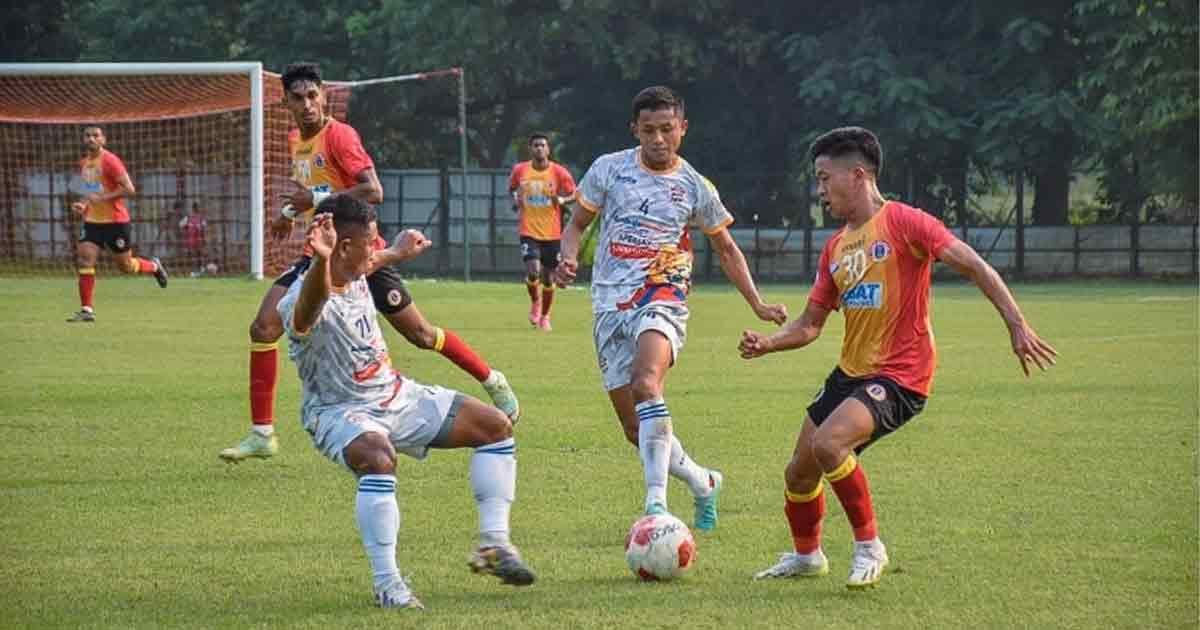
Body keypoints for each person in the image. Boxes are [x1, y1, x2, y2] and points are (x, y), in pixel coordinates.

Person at [741, 127, 1058, 589]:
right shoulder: (835, 248)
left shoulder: (906, 222)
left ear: (859, 174)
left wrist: (1016, 323)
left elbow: (974, 264)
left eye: (825, 178)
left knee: (830, 445)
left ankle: (870, 546)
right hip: (850, 374)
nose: (820, 189)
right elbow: (810, 325)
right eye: (818, 180)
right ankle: (807, 556)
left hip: (900, 375)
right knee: (799, 471)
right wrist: (769, 344)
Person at [220, 62, 520, 462]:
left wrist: (315, 202)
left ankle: (492, 379)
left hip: (364, 256)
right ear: (285, 101)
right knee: (264, 326)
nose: (307, 104)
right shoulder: (298, 139)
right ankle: (262, 433)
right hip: (325, 255)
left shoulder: (340, 135)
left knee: (422, 336)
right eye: (298, 97)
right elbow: (313, 191)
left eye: (313, 95)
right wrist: (288, 216)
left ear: (324, 94)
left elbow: (371, 190)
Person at [279, 197, 535, 610]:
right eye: (370, 240)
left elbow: (368, 263)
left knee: (495, 427)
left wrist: (397, 251)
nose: (375, 246)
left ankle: (494, 546)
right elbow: (307, 312)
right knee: (379, 458)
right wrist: (320, 262)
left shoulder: (357, 266)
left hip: (396, 394)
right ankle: (388, 584)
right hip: (339, 411)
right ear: (341, 247)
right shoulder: (303, 296)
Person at [553, 86, 788, 530]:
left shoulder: (695, 186)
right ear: (634, 131)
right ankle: (702, 480)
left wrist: (756, 302)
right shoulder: (608, 170)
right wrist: (567, 256)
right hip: (608, 303)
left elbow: (727, 248)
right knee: (633, 429)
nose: (658, 138)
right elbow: (577, 225)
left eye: (666, 129)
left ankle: (655, 507)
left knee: (647, 383)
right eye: (648, 130)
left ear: (682, 129)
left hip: (662, 295)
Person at [67, 125, 168, 322]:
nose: (91, 139)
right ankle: (86, 310)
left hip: (115, 222)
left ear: (103, 140)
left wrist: (104, 198)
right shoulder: (84, 163)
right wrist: (83, 204)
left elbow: (129, 189)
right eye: (87, 136)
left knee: (126, 266)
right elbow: (92, 191)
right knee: (85, 260)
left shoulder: (111, 161)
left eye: (95, 135)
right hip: (92, 222)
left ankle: (154, 267)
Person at [509, 133, 577, 330]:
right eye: (536, 145)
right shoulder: (520, 170)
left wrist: (563, 200)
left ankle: (545, 316)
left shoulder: (559, 172)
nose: (539, 148)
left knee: (548, 277)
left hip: (552, 233)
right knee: (533, 271)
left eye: (543, 145)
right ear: (531, 149)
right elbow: (512, 188)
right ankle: (535, 302)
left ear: (548, 149)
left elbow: (576, 193)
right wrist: (515, 199)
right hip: (528, 229)